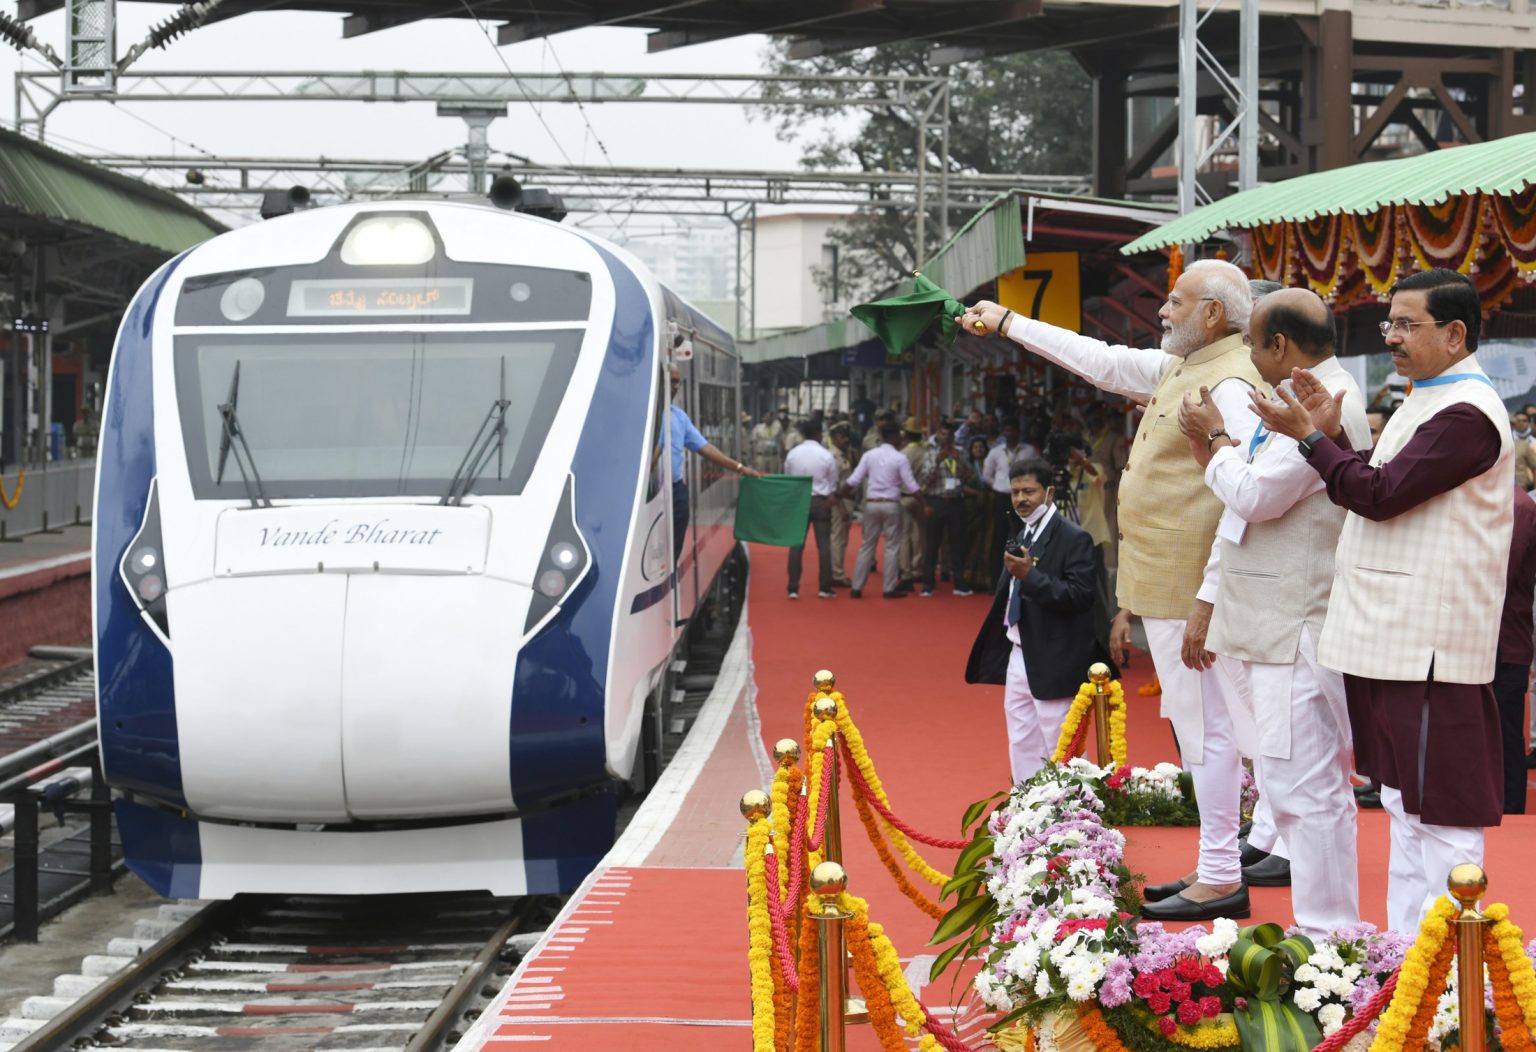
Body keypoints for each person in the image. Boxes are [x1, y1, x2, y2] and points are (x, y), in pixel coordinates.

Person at [959, 258, 1264, 922]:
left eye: (1175, 302)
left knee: (1216, 731)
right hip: (1173, 584)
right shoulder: (1187, 368)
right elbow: (1098, 361)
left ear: (1212, 313)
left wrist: (1211, 596)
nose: (1162, 311)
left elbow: (1246, 499)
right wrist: (1010, 322)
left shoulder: (1232, 383)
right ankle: (1218, 865)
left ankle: (1223, 872)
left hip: (1199, 589)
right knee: (1203, 730)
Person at [1247, 268, 1513, 935]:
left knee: (1439, 815)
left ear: (1455, 334)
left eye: (1406, 324)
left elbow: (1380, 494)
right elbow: (1375, 483)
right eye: (1388, 323)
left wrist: (1310, 440)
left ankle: (1444, 981)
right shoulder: (1428, 396)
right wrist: (1329, 438)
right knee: (1401, 803)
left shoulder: (1468, 413)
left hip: (1432, 644)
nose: (1390, 336)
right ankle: (1405, 961)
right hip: (1393, 636)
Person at [1176, 287, 1370, 937]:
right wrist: (1222, 450)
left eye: (1252, 344)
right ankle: (1326, 930)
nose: (1247, 357)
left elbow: (1257, 497)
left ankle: (1326, 935)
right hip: (1274, 620)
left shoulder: (1329, 402)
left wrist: (1219, 440)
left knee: (1304, 792)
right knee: (1297, 791)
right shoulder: (1302, 397)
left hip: (1295, 625)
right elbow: (1244, 508)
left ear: (1279, 346)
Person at [965, 459, 1117, 782]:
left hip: (1056, 655)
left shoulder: (1074, 538)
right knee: (1021, 738)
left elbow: (1081, 597)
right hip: (1018, 648)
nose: (1021, 498)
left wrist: (1030, 577)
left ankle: (1076, 813)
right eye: (1015, 491)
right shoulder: (1023, 530)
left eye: (1029, 491)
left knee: (1061, 741)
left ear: (1049, 493)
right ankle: (1030, 808)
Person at [663, 365, 760, 557]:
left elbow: (705, 448)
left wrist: (739, 468)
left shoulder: (679, 417)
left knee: (673, 549)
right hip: (652, 492)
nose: (675, 387)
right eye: (671, 381)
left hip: (676, 490)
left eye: (677, 382)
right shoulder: (646, 416)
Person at [842, 420, 924, 599]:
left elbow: (854, 480)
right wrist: (924, 503)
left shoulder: (869, 455)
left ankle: (857, 587)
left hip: (871, 503)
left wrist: (839, 494)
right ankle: (888, 588)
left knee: (867, 546)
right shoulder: (900, 458)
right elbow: (911, 485)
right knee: (892, 546)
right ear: (895, 437)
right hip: (891, 504)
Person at [1494, 487, 1536, 814]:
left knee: (1506, 738)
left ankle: (1511, 810)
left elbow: (1499, 578)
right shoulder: (1497, 499)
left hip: (1506, 643)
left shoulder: (1518, 506)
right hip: (1487, 640)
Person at [919, 423, 977, 597]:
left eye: (949, 435)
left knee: (957, 544)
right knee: (932, 544)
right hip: (936, 501)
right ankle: (928, 584)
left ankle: (959, 583)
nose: (947, 438)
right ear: (938, 435)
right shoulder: (930, 454)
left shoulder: (960, 453)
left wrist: (961, 460)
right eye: (943, 435)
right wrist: (937, 462)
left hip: (956, 502)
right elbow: (925, 480)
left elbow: (970, 475)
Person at [783, 418, 839, 600]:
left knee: (796, 545)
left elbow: (788, 476)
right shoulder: (826, 454)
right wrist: (830, 496)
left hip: (799, 500)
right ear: (818, 434)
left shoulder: (793, 454)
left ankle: (793, 588)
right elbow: (833, 481)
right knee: (824, 545)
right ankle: (824, 587)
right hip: (821, 502)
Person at [981, 421, 1037, 581]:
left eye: (1013, 429)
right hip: (1003, 498)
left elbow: (1037, 471)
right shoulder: (996, 452)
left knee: (1023, 536)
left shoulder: (1028, 450)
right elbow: (987, 475)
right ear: (1003, 433)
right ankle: (995, 578)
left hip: (1024, 499)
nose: (1010, 433)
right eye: (1007, 430)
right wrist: (1000, 487)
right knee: (999, 536)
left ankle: (1022, 575)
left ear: (1018, 432)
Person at [962, 435, 997, 591]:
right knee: (971, 542)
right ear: (970, 450)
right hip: (971, 509)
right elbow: (959, 485)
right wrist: (977, 494)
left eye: (981, 447)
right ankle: (969, 578)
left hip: (990, 508)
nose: (978, 450)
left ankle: (986, 579)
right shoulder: (966, 465)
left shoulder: (992, 464)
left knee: (988, 542)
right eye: (975, 447)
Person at [899, 417, 929, 591]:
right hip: (922, 498)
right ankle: (919, 567)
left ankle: (906, 570)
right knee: (920, 534)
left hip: (903, 497)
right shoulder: (926, 453)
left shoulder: (902, 454)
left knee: (904, 535)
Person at [828, 423, 856, 587]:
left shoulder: (845, 454)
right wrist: (842, 508)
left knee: (843, 538)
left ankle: (837, 570)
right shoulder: (834, 457)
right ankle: (836, 573)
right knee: (838, 538)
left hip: (848, 499)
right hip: (840, 501)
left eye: (846, 437)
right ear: (833, 438)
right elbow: (834, 485)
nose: (845, 440)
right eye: (841, 437)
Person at [1510, 412, 1536, 491]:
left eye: (1524, 420)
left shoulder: (1534, 441)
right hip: (1515, 487)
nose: (1521, 423)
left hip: (1530, 486)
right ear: (1513, 424)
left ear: (1528, 423)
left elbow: (1534, 467)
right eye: (1518, 421)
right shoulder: (1509, 443)